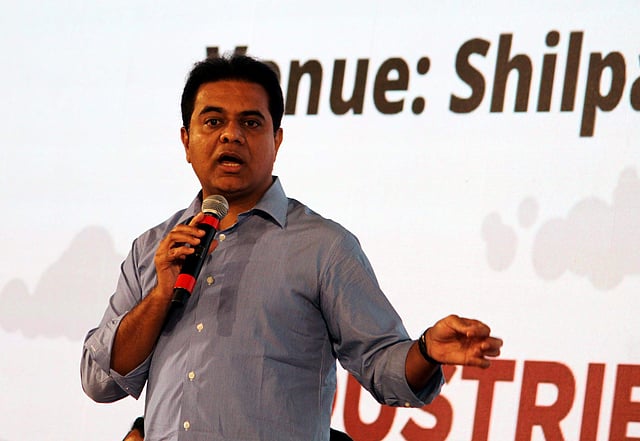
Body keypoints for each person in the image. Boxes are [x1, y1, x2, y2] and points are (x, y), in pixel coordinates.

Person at [81, 54, 503, 441]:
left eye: (251, 123)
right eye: (213, 121)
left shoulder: (323, 248)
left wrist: (426, 350)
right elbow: (100, 382)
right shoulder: (153, 248)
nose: (231, 135)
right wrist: (159, 297)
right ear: (186, 141)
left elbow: (382, 364)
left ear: (277, 140)